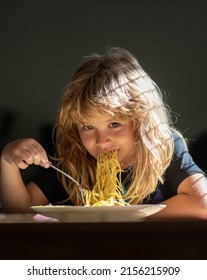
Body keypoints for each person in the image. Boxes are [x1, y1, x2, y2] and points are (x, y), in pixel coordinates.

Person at [0, 47, 207, 219]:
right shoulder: (73, 159)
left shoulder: (163, 147)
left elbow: (202, 203)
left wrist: (125, 218)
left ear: (141, 120)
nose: (101, 141)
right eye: (88, 127)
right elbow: (20, 212)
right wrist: (7, 163)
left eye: (114, 124)